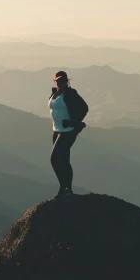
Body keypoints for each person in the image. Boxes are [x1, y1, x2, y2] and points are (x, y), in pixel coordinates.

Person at [49, 70, 88, 199]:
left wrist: (74, 122)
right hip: (56, 129)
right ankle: (65, 189)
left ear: (67, 81)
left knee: (55, 159)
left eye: (63, 80)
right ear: (55, 81)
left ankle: (66, 188)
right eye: (58, 80)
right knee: (63, 160)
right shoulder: (54, 93)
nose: (61, 82)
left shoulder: (70, 93)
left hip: (68, 130)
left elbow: (84, 108)